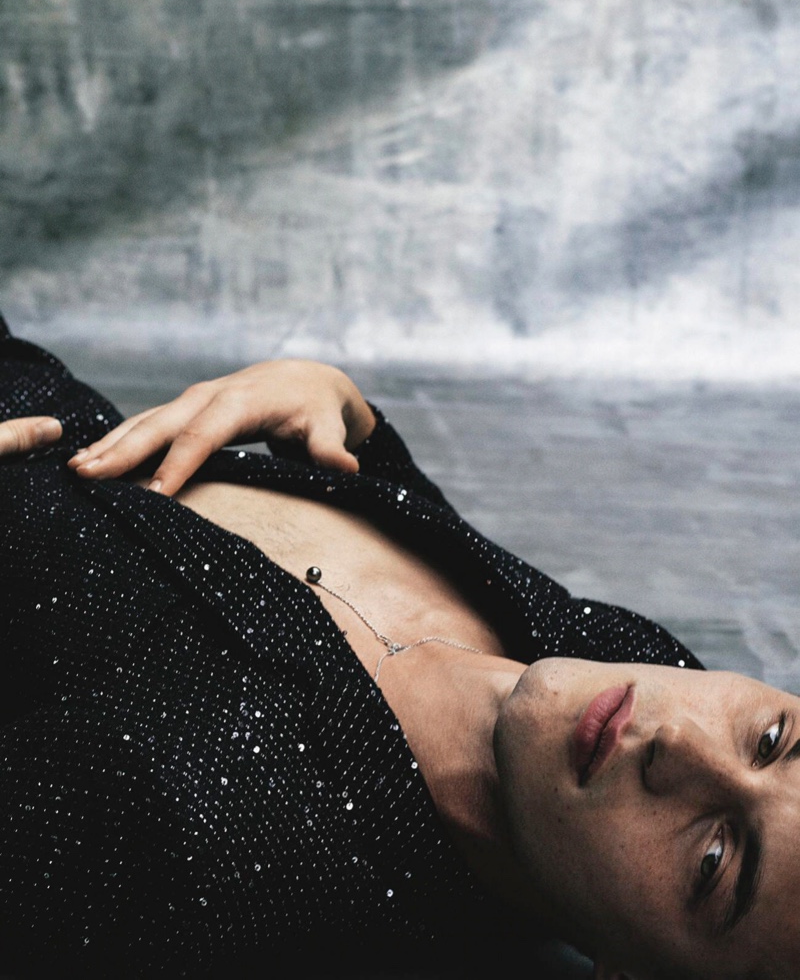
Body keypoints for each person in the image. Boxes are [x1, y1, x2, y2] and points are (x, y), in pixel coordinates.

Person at [1, 315, 798, 980]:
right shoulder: (618, 665)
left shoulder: (206, 874)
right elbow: (447, 555)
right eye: (773, 738)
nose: (679, 739)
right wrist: (347, 417)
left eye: (714, 860)